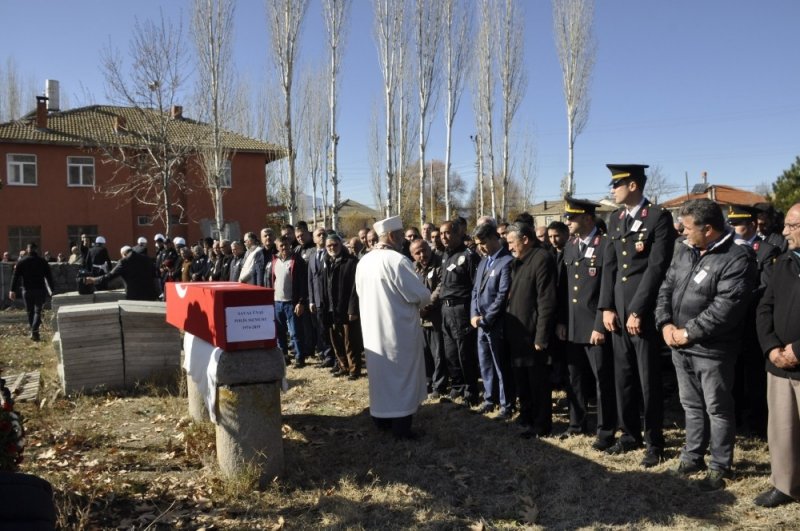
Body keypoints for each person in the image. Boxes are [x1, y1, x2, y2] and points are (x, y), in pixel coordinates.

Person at [656, 199, 756, 491]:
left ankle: (719, 466)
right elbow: (666, 287)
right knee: (690, 404)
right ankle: (692, 457)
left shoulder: (737, 258)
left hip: (712, 350)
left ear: (708, 229)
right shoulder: (684, 249)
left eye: (688, 228)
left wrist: (687, 333)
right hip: (679, 344)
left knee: (717, 407)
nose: (683, 232)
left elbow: (725, 309)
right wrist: (665, 325)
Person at [598, 163, 676, 468]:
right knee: (624, 377)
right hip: (617, 312)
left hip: (641, 312)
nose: (612, 190)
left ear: (632, 185)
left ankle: (654, 441)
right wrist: (606, 306)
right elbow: (610, 268)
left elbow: (657, 268)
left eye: (616, 184)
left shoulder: (657, 217)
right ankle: (629, 434)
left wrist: (637, 311)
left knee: (648, 380)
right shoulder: (615, 219)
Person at [355, 215, 432, 439]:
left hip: (372, 331)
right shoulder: (396, 261)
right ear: (391, 236)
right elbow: (420, 295)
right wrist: (424, 297)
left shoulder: (364, 261)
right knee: (401, 377)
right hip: (396, 331)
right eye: (400, 236)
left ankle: (381, 419)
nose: (403, 241)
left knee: (380, 378)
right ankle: (401, 427)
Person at [556, 197, 617, 449]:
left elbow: (608, 288)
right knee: (574, 378)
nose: (567, 221)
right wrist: (561, 320)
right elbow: (563, 288)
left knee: (602, 380)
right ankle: (576, 423)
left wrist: (600, 326)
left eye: (572, 217)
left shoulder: (605, 245)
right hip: (572, 324)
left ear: (588, 219)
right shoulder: (570, 247)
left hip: (594, 325)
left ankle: (606, 431)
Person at [753, 202, 800, 508]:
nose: (784, 232)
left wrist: (798, 349)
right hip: (780, 365)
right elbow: (764, 307)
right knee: (782, 429)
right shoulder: (783, 262)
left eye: (791, 226)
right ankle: (785, 484)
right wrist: (771, 348)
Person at [728, 204, 780, 437]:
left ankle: (757, 423)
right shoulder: (727, 249)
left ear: (751, 225)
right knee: (733, 373)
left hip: (751, 320)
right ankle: (736, 416)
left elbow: (766, 288)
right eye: (731, 223)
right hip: (730, 323)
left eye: (737, 224)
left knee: (754, 375)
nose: (733, 228)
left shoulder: (767, 251)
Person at [505, 222, 557, 438]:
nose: (509, 247)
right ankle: (526, 415)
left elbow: (546, 300)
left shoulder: (541, 259)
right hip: (517, 333)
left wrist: (542, 335)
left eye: (511, 242)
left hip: (533, 332)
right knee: (521, 379)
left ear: (525, 239)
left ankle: (541, 423)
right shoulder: (517, 262)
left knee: (537, 382)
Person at [470, 222, 514, 419]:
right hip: (480, 323)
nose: (480, 247)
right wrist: (473, 315)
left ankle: (506, 405)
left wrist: (486, 318)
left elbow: (503, 295)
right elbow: (475, 291)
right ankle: (490, 399)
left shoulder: (506, 261)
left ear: (494, 238)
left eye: (482, 243)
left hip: (497, 323)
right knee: (485, 363)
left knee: (500, 365)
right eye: (478, 244)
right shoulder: (483, 262)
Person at [439, 219, 481, 406]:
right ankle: (457, 387)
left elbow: (476, 287)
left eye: (447, 233)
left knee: (465, 352)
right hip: (445, 309)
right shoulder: (444, 256)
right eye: (441, 234)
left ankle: (470, 390)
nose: (444, 237)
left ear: (458, 234)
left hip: (461, 309)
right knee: (450, 352)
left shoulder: (469, 256)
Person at [321, 233, 362, 379]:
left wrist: (353, 309)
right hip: (331, 308)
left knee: (350, 340)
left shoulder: (351, 262)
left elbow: (355, 288)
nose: (332, 248)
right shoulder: (327, 262)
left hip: (346, 308)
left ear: (341, 245)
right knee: (335, 340)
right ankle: (343, 366)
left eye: (335, 245)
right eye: (329, 246)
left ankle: (354, 369)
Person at [264, 235, 309, 367]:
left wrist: (301, 302)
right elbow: (271, 280)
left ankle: (300, 358)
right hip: (277, 302)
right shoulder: (274, 261)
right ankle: (284, 357)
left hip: (292, 303)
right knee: (280, 333)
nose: (284, 248)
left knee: (295, 332)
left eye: (286, 245)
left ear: (290, 245)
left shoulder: (297, 260)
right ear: (277, 247)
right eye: (281, 246)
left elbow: (303, 283)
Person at [410, 238, 447, 398]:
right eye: (417, 253)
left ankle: (440, 385)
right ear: (412, 255)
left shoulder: (440, 263)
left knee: (438, 352)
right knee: (424, 352)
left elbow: (441, 287)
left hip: (435, 316)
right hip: (419, 318)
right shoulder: (412, 268)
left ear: (429, 248)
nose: (422, 255)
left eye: (424, 250)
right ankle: (428, 381)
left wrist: (426, 306)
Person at [9, 242, 53, 341]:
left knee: (30, 311)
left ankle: (34, 333)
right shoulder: (42, 261)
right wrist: (52, 290)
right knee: (38, 311)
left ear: (27, 250)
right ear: (36, 250)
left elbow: (15, 276)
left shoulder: (22, 262)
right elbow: (49, 277)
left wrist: (12, 290)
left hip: (27, 290)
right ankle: (35, 332)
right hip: (40, 289)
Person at [85, 245, 160, 301]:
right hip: (150, 295)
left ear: (123, 254)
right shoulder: (147, 259)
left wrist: (94, 280)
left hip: (134, 297)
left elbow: (110, 276)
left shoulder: (124, 262)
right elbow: (155, 275)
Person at [308, 228, 336, 369]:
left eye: (324, 234)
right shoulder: (312, 256)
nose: (322, 237)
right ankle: (326, 355)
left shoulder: (331, 253)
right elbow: (310, 279)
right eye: (318, 235)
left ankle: (334, 356)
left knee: (331, 329)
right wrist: (311, 300)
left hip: (330, 299)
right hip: (318, 300)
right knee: (321, 329)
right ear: (313, 239)